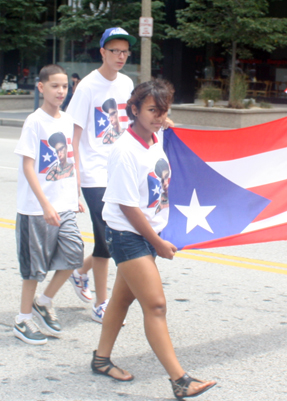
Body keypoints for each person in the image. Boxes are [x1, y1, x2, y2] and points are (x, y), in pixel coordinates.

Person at [92, 79, 217, 400]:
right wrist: (158, 243)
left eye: (163, 111)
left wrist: (163, 124)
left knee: (121, 300)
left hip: (146, 234)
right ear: (133, 110)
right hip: (127, 235)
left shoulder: (156, 137)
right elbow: (126, 205)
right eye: (152, 111)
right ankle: (180, 380)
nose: (159, 117)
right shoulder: (124, 150)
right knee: (156, 305)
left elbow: (161, 139)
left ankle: (101, 360)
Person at [66, 27, 137, 319]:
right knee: (108, 236)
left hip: (119, 169)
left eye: (124, 52)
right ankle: (101, 304)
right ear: (102, 53)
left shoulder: (127, 83)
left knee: (108, 235)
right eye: (114, 51)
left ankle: (80, 272)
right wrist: (75, 178)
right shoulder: (87, 87)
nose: (120, 56)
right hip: (94, 172)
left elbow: (134, 121)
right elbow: (74, 134)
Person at [13, 64, 84, 345]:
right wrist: (44, 204)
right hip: (36, 208)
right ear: (41, 87)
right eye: (55, 86)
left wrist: (74, 196)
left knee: (74, 254)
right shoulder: (35, 121)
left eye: (65, 86)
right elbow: (29, 166)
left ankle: (44, 302)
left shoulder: (66, 120)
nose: (61, 91)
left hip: (64, 204)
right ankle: (22, 319)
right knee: (34, 268)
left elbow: (70, 160)